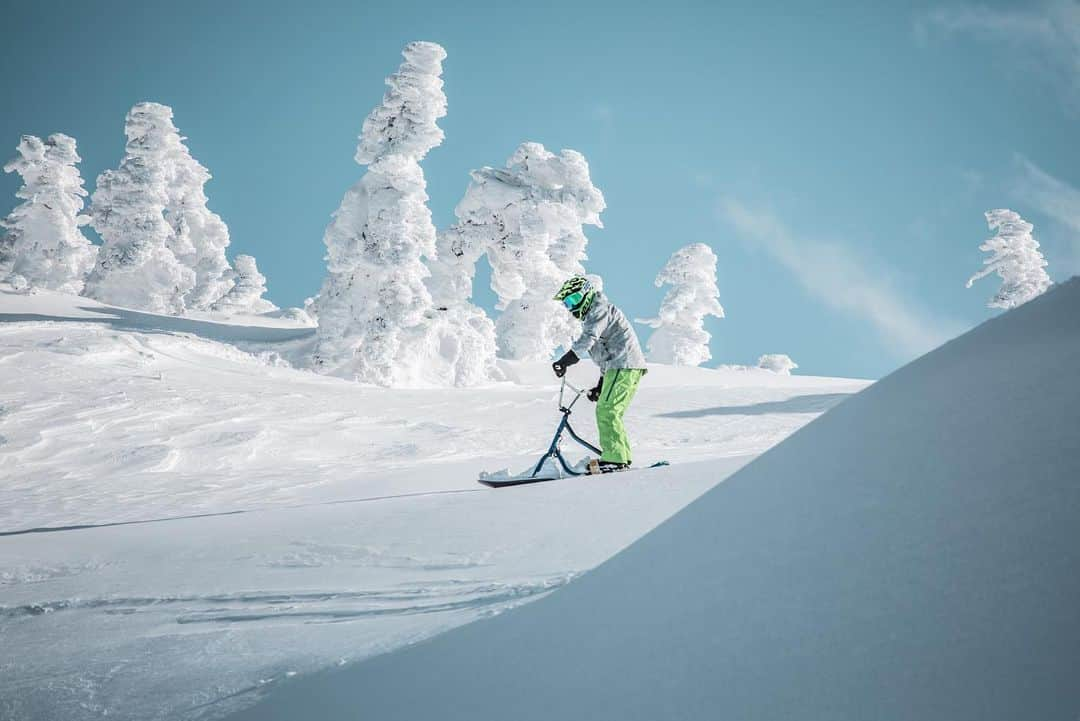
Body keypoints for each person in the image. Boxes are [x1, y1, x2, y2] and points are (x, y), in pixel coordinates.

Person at [551, 276, 648, 474]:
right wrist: (601, 384)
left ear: (586, 293)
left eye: (574, 299)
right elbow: (605, 354)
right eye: (567, 303)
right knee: (610, 411)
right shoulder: (596, 315)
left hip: (624, 366)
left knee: (607, 411)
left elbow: (589, 339)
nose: (571, 307)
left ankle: (615, 459)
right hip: (620, 367)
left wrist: (565, 360)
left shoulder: (599, 310)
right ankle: (620, 457)